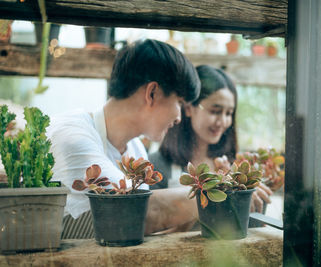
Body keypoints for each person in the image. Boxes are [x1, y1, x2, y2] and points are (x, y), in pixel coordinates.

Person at [48, 39, 201, 238]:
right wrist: (217, 195)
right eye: (179, 102)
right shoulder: (73, 136)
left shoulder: (136, 149)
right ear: (152, 93)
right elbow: (133, 211)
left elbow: (135, 231)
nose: (179, 117)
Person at [149, 65, 272, 213]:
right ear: (188, 108)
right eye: (215, 111)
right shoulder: (156, 167)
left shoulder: (235, 169)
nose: (222, 122)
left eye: (228, 113)